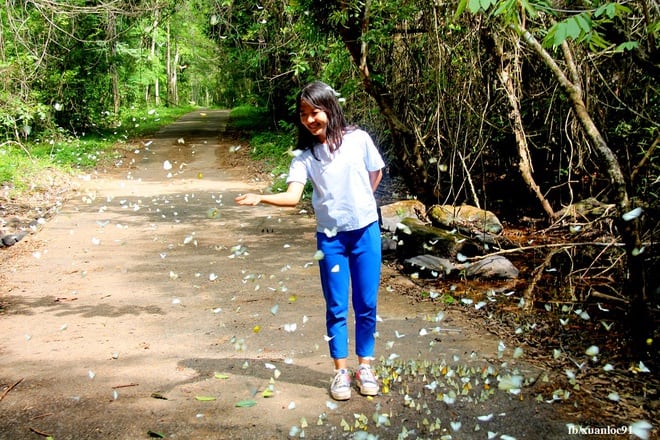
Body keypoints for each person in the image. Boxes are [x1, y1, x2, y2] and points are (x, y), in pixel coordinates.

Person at [235, 81, 385, 401]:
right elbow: (292, 197)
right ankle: (340, 372)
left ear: (329, 108)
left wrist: (361, 202)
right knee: (336, 306)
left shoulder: (359, 140)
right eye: (303, 114)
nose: (309, 120)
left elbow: (376, 173)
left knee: (366, 303)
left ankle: (366, 366)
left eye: (314, 112)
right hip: (330, 240)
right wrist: (261, 198)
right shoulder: (305, 157)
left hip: (365, 232)